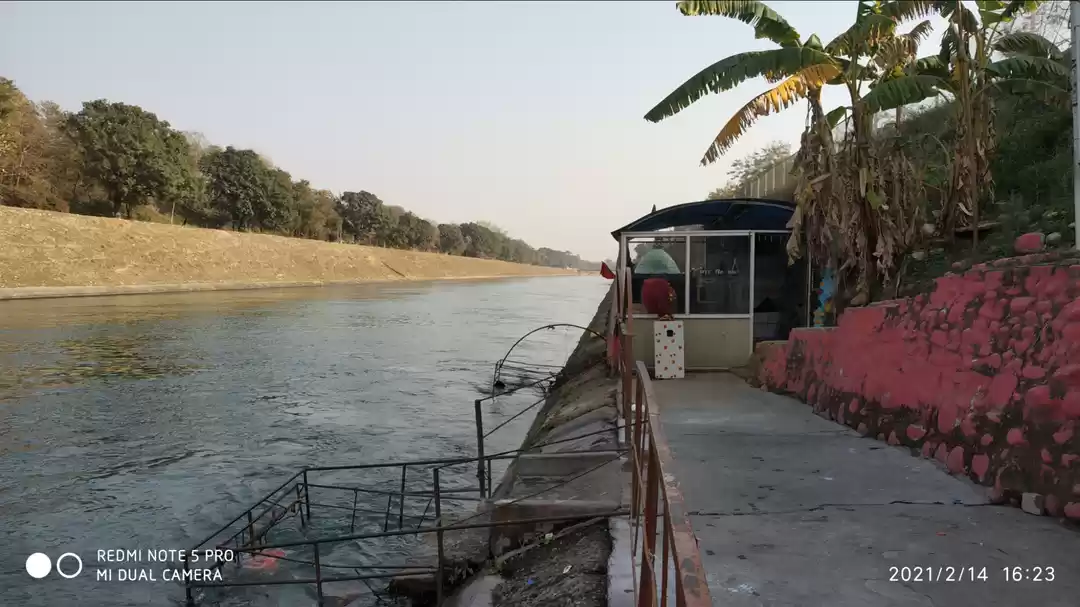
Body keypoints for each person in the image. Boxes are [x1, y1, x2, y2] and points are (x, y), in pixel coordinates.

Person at [634, 243, 680, 319]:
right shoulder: (665, 256)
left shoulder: (647, 257)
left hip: (646, 287)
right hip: (662, 286)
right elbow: (675, 271)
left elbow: (638, 271)